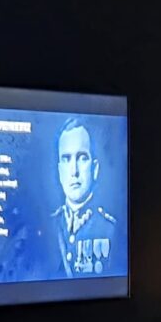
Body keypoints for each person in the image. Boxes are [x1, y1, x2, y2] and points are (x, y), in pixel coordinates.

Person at [45, 114, 118, 278]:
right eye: (66, 159)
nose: (74, 171)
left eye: (82, 158)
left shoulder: (111, 231)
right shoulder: (47, 227)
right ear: (60, 171)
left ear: (95, 169)